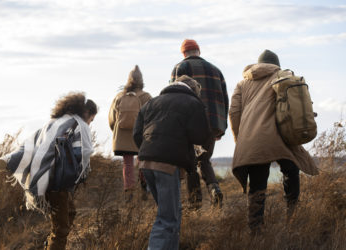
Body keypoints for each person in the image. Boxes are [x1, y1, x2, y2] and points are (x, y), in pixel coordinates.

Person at [0, 92, 98, 250]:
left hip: (43, 178)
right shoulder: (80, 124)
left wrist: (8, 160)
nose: (90, 123)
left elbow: (30, 147)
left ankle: (49, 244)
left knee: (69, 213)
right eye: (92, 119)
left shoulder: (53, 123)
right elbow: (85, 152)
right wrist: (81, 173)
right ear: (86, 113)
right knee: (62, 229)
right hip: (58, 182)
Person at [229, 49, 319, 233]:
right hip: (282, 137)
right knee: (291, 171)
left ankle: (255, 229)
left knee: (257, 184)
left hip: (253, 139)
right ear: (275, 64)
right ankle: (292, 217)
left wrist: (241, 139)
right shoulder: (284, 76)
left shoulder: (242, 83)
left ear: (257, 64)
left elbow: (233, 113)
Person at [133, 75, 210, 249]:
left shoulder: (151, 103)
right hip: (167, 165)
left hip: (146, 163)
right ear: (193, 91)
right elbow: (201, 135)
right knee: (167, 219)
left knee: (171, 215)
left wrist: (150, 151)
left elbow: (137, 134)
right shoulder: (192, 103)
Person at [170, 39, 228, 208]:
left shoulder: (180, 68)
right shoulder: (216, 70)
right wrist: (220, 128)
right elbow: (225, 99)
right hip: (213, 122)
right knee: (204, 159)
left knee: (190, 163)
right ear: (198, 51)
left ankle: (195, 203)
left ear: (183, 53)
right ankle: (214, 188)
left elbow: (173, 97)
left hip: (190, 122)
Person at [109, 65, 151, 201]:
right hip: (141, 136)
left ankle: (129, 192)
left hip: (122, 136)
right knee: (142, 161)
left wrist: (117, 131)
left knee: (127, 163)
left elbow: (112, 119)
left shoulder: (119, 96)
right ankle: (144, 188)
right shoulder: (146, 97)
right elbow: (151, 117)